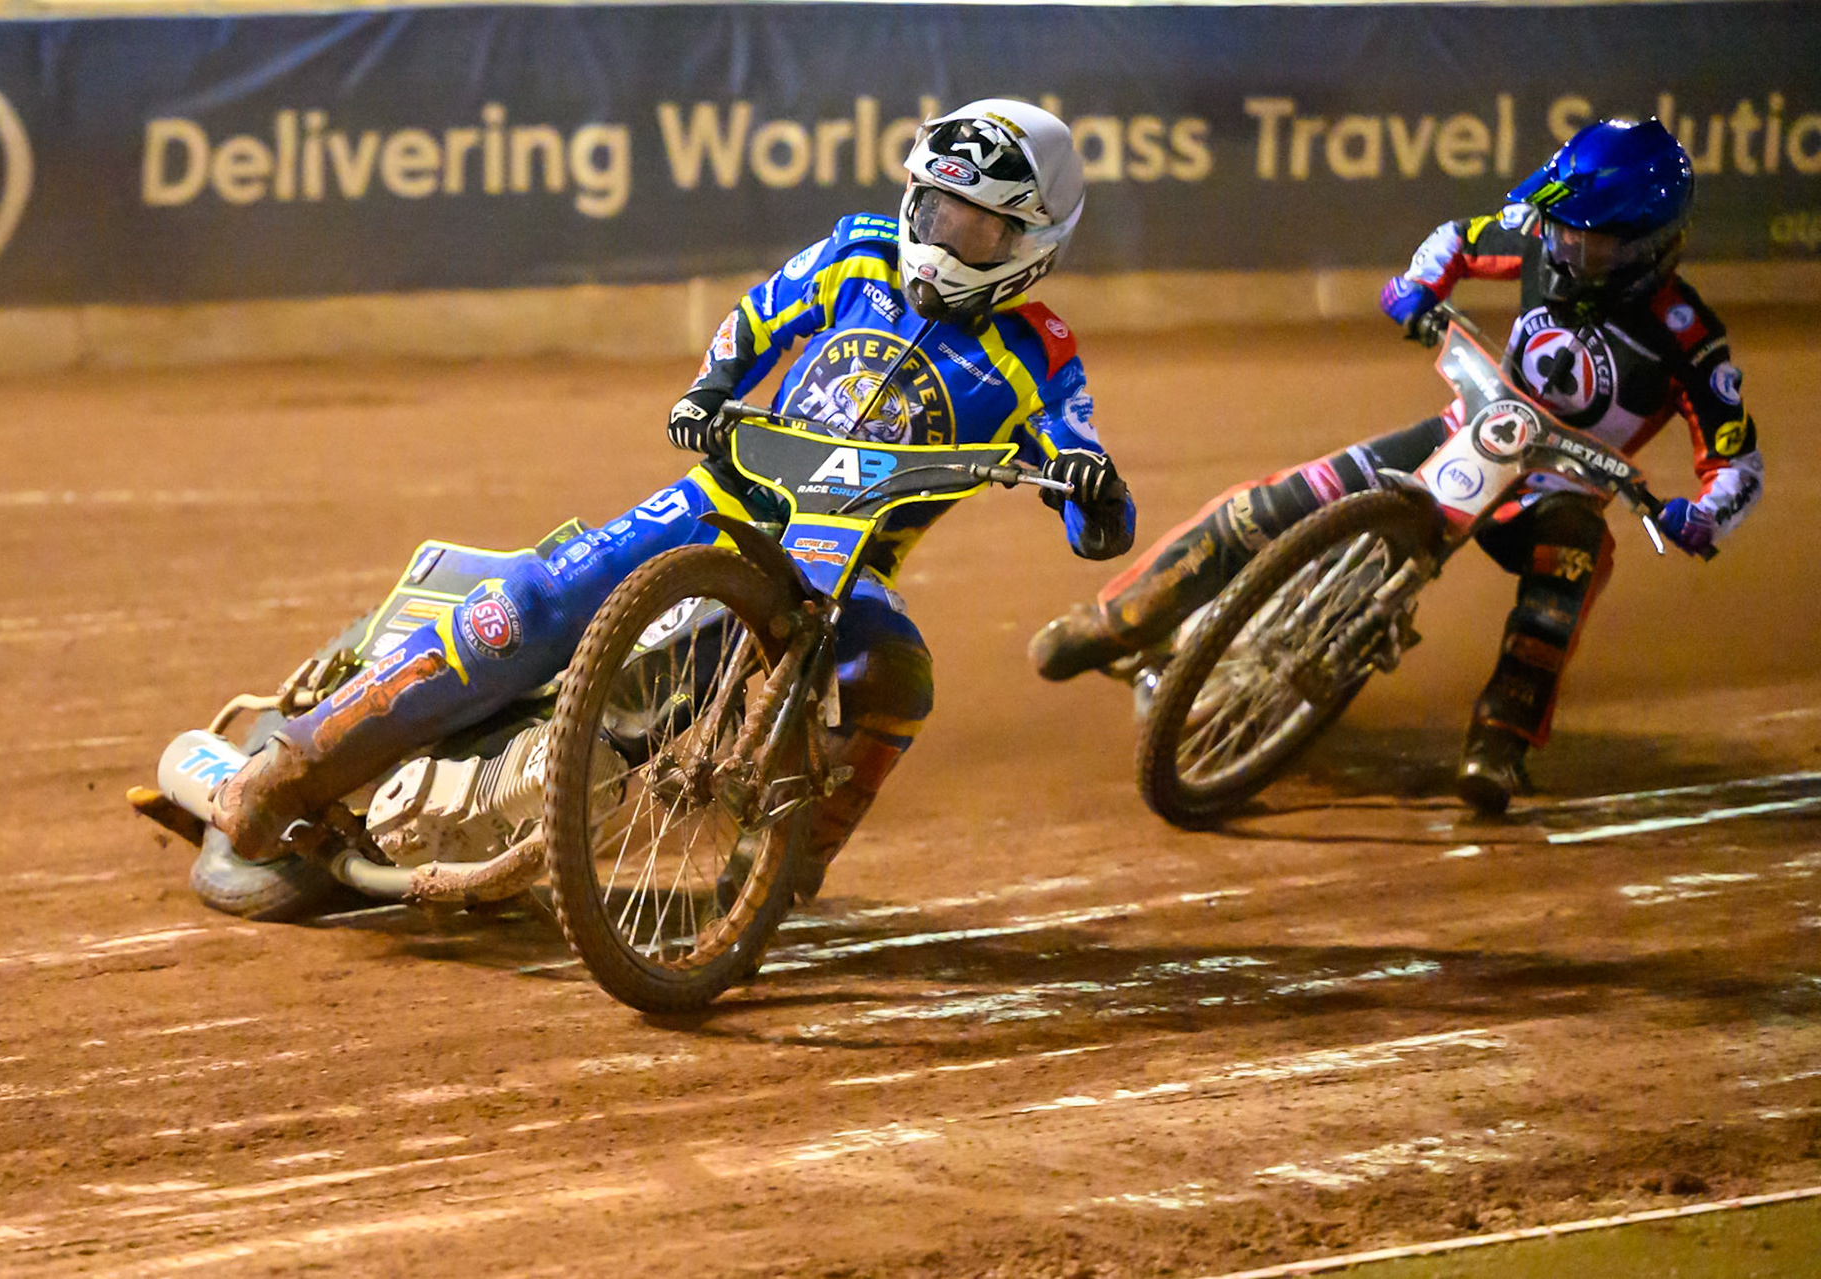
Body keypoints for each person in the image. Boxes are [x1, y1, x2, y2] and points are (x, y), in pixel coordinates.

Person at [212, 98, 1136, 890]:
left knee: (899, 677)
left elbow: (1082, 465)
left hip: (849, 566)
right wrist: (710, 390)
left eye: (971, 227)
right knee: (530, 604)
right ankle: (291, 767)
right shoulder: (861, 251)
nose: (940, 238)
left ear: (1031, 243)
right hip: (727, 497)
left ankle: (785, 859)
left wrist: (1090, 495)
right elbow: (761, 315)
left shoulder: (1038, 354)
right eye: (933, 210)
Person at [1029, 118, 1763, 814]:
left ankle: (1500, 741)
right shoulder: (1545, 239)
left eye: (1593, 245)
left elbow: (1738, 462)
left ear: (1651, 248)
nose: (1569, 252)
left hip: (1560, 487)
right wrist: (1418, 287)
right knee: (1276, 503)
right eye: (1564, 233)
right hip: (1465, 429)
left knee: (1568, 569)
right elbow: (1456, 240)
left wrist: (1701, 513)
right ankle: (1117, 618)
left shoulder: (1690, 341)